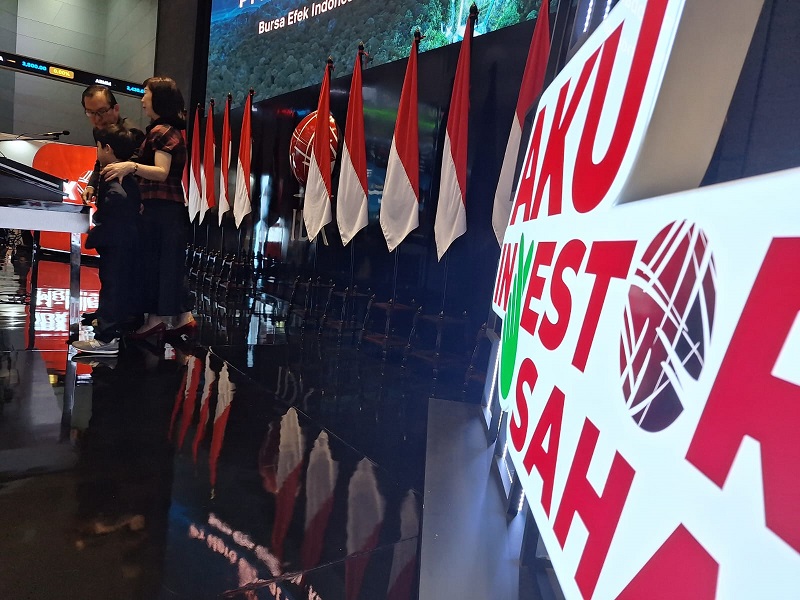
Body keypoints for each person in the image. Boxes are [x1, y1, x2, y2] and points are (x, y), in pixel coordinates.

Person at [101, 76, 195, 340]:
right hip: (166, 209)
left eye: (146, 93)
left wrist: (130, 166)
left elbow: (161, 172)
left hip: (161, 209)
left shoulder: (162, 131)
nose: (142, 99)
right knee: (167, 264)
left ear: (158, 98)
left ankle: (156, 320)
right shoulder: (165, 130)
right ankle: (181, 319)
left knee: (155, 265)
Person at [72, 124, 144, 355]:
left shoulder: (113, 177)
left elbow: (118, 200)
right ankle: (110, 330)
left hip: (117, 241)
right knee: (116, 286)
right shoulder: (122, 174)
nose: (97, 152)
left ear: (107, 149)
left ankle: (106, 339)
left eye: (98, 147)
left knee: (112, 287)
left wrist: (101, 222)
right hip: (125, 240)